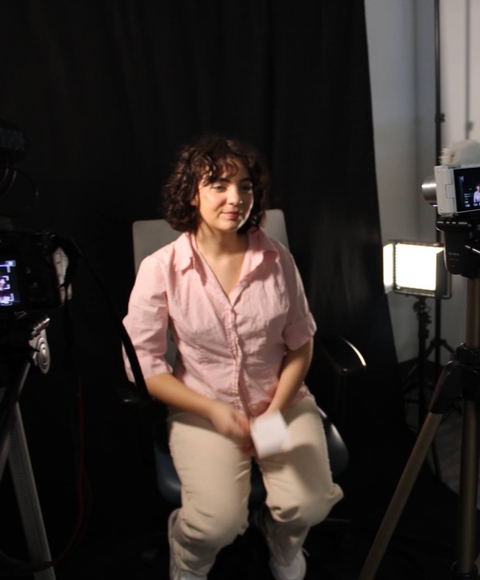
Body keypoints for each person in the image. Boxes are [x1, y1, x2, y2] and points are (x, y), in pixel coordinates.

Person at [123, 134, 342, 580]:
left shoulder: (277, 259)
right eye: (219, 185)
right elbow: (143, 365)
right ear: (192, 193)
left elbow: (301, 343)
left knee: (309, 504)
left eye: (245, 186)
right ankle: (187, 559)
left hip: (280, 403)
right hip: (203, 410)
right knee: (216, 525)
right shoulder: (160, 268)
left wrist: (274, 413)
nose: (235, 198)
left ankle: (281, 546)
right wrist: (213, 411)